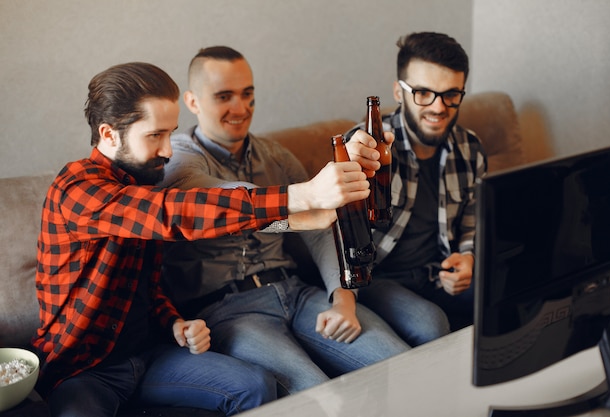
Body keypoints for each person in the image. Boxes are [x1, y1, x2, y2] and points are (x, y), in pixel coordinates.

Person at [32, 62, 372, 417]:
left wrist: (175, 323)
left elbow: (147, 288)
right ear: (109, 134)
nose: (167, 150)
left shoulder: (141, 183)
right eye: (154, 136)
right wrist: (300, 196)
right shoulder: (76, 189)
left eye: (170, 133)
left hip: (146, 358)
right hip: (82, 370)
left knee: (254, 386)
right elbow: (174, 214)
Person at [159, 46, 444, 395]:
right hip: (231, 311)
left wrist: (342, 298)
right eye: (224, 96)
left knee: (401, 363)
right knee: (313, 392)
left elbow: (317, 231)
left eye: (248, 94)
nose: (241, 107)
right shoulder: (178, 158)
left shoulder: (276, 156)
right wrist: (303, 201)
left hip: (297, 292)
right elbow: (226, 202)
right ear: (192, 101)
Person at [345, 32, 487, 332]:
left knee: (506, 294)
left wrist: (468, 257)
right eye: (423, 92)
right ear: (399, 92)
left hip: (437, 271)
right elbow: (337, 228)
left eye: (451, 94)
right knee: (431, 325)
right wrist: (350, 157)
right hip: (379, 278)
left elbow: (473, 222)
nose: (438, 107)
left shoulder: (470, 148)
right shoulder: (369, 145)